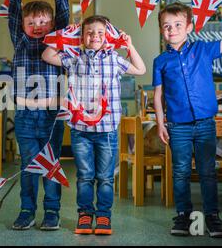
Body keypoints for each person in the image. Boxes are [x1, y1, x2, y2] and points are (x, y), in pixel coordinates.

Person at [152, 0, 222, 238]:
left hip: (205, 124)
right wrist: (161, 123)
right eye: (166, 26)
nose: (172, 30)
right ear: (161, 29)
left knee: (207, 171)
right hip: (177, 126)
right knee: (180, 171)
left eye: (177, 25)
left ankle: (212, 217)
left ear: (189, 27)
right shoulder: (160, 61)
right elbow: (158, 96)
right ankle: (183, 216)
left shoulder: (202, 50)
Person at [42, 15, 146, 235]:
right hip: (81, 130)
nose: (95, 36)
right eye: (89, 32)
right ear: (82, 36)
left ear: (107, 35)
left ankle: (104, 217)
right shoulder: (74, 56)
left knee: (106, 177)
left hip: (107, 129)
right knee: (85, 175)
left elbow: (140, 69)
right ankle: (85, 214)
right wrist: (65, 35)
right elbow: (47, 54)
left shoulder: (115, 59)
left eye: (100, 32)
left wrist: (129, 45)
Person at [8, 0, 70, 231]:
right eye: (31, 22)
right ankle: (26, 210)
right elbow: (12, 12)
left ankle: (52, 211)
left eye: (43, 22)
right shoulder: (20, 41)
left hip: (51, 115)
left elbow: (64, 13)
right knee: (29, 165)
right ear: (22, 25)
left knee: (51, 163)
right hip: (24, 115)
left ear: (52, 24)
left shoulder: (58, 41)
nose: (37, 26)